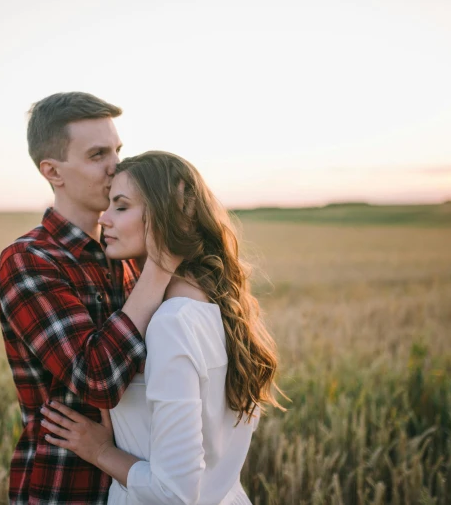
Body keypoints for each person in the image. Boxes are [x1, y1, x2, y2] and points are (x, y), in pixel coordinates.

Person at [39, 151, 283, 504]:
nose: (104, 219)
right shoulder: (217, 305)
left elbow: (173, 493)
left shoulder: (172, 323)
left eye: (121, 207)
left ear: (162, 217)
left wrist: (100, 452)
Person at [0, 93, 180, 504]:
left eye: (117, 150)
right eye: (98, 155)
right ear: (53, 172)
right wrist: (161, 267)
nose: (116, 167)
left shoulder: (127, 256)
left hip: (138, 481)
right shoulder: (29, 260)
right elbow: (96, 378)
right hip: (66, 486)